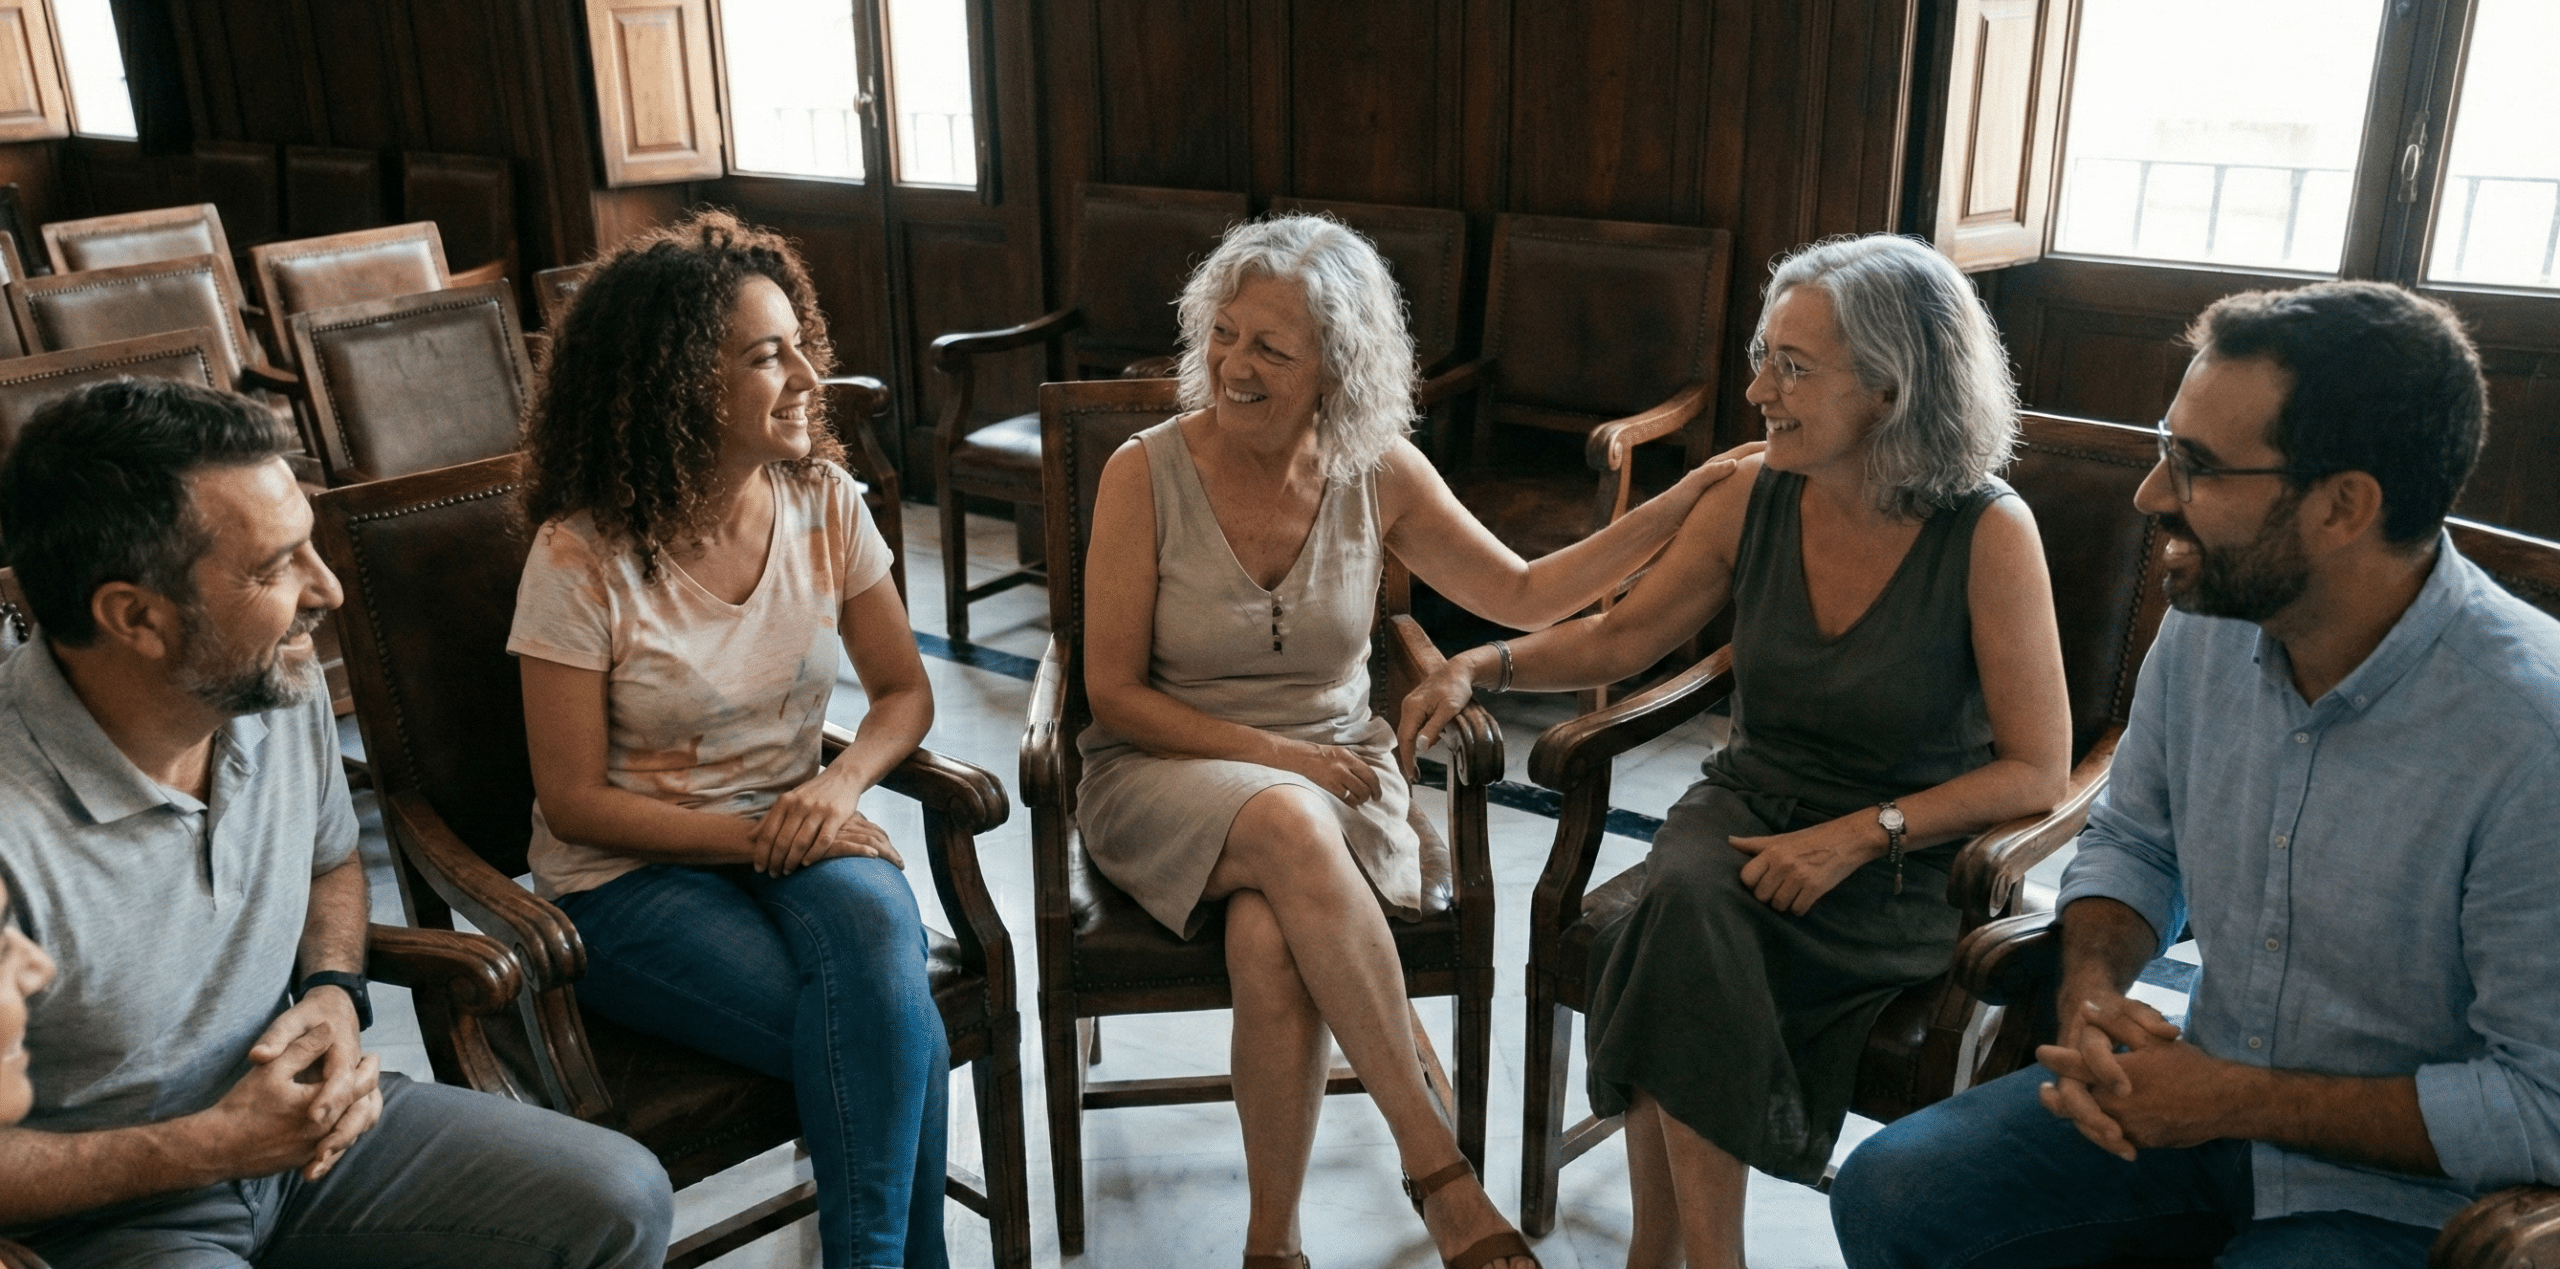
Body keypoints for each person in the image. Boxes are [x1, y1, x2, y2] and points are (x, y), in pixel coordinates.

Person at [1827, 281, 2560, 1267]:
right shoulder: (2208, 625)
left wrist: (2235, 1100)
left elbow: (2542, 1105)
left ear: (2343, 506)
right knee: (1894, 1189)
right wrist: (2092, 990)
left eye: (2196, 465)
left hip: (2410, 1204)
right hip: (2203, 1114)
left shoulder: (2530, 734)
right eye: (2165, 447)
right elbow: (2138, 841)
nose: (2151, 494)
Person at [1079, 212, 1757, 1269]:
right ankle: (1441, 1175)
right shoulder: (1143, 471)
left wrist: (1684, 499)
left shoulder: (1376, 469)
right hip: (1162, 773)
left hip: (1335, 779)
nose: (1233, 366)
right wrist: (1286, 762)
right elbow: (1113, 696)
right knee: (1287, 822)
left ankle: (1271, 1246)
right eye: (1223, 332)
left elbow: (1525, 593)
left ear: (1335, 368)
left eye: (1272, 348)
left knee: (1268, 939)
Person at [1398, 233, 2074, 1269]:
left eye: (1792, 367)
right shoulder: (1752, 492)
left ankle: (1666, 1256)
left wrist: (1862, 835)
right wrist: (1480, 665)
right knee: (1690, 901)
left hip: (1905, 864)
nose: (1757, 390)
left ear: (1890, 389)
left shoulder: (1988, 531)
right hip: (1749, 809)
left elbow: (2036, 770)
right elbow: (1618, 638)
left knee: (1670, 926)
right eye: (1764, 356)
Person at [0, 378, 673, 1268]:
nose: (327, 590)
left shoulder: (269, 682)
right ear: (135, 616)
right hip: (112, 1214)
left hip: (305, 1137)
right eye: (274, 567)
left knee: (619, 1198)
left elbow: (329, 862)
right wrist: (209, 1145)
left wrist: (331, 989)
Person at [513, 210, 948, 1269]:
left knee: (879, 958)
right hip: (624, 879)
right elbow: (573, 802)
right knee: (901, 1038)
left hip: (798, 828)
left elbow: (902, 692)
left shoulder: (824, 502)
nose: (806, 376)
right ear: (675, 382)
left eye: (801, 344)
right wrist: (761, 836)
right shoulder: (578, 557)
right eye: (766, 355)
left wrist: (837, 789)